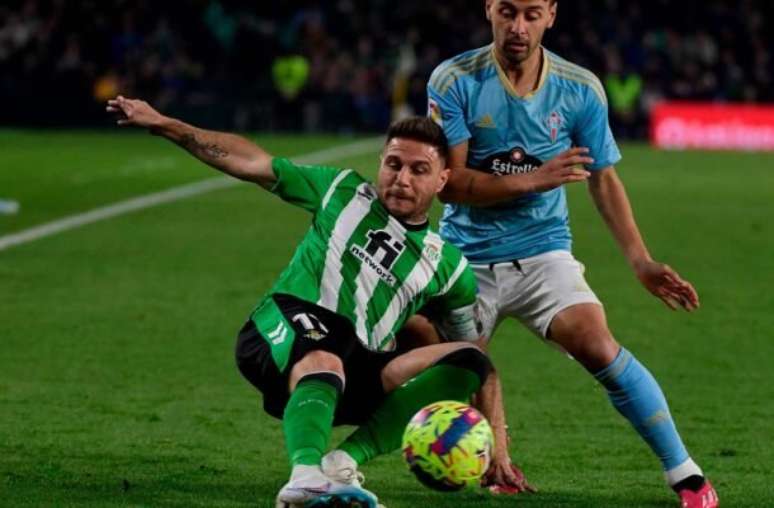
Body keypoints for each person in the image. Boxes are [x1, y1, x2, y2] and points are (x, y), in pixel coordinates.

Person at [107, 96, 495, 508]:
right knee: (326, 350)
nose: (402, 178)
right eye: (394, 164)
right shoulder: (341, 191)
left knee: (470, 361)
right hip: (285, 326)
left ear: (442, 180)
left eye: (419, 170)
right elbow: (253, 162)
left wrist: (493, 442)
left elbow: (474, 351)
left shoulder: (449, 266)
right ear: (380, 162)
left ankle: (340, 462)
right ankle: (305, 476)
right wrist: (166, 123)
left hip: (358, 364)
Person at [424, 1, 719, 507]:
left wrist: (641, 261)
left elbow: (603, 178)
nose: (518, 27)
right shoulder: (454, 80)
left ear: (552, 15)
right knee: (451, 372)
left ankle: (687, 475)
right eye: (508, 12)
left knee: (596, 343)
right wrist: (533, 179)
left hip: (543, 252)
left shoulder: (579, 88)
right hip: (464, 256)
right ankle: (482, 457)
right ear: (488, 10)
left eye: (532, 14)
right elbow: (449, 185)